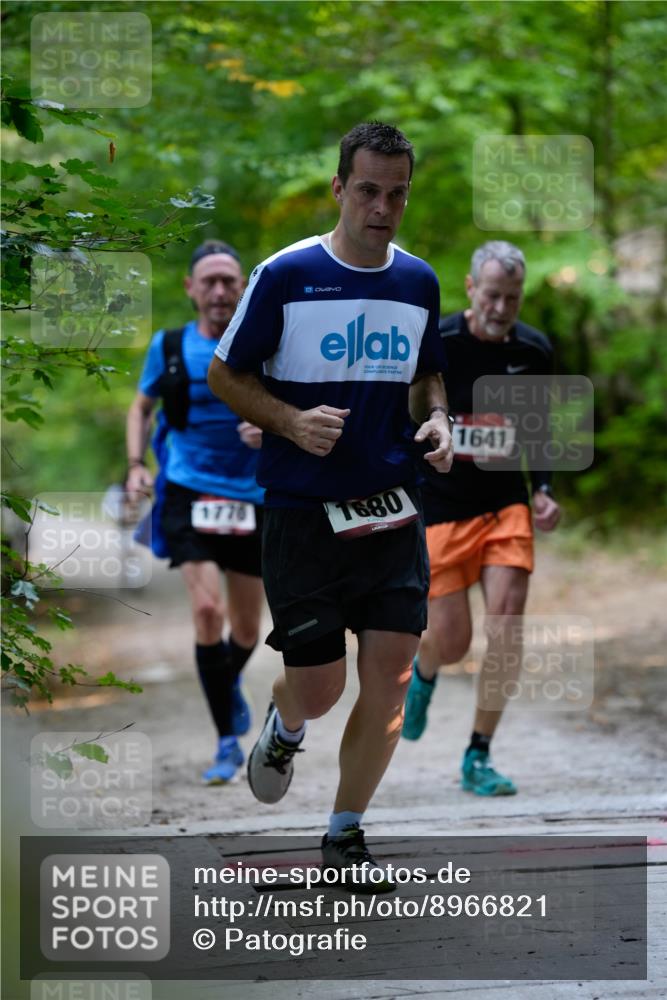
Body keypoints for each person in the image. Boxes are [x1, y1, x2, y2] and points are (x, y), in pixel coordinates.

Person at [208, 122, 453, 890]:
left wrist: (438, 418)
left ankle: (345, 832)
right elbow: (226, 376)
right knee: (321, 688)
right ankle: (284, 727)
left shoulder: (418, 281)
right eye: (369, 190)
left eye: (397, 193)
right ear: (338, 189)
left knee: (392, 673)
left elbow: (424, 378)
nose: (383, 207)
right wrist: (288, 420)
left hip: (391, 507)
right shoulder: (284, 275)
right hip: (301, 511)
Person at [402, 240, 561, 796]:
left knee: (507, 623)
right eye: (492, 295)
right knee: (451, 642)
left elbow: (538, 430)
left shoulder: (535, 351)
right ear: (472, 289)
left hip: (504, 506)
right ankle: (424, 673)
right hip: (443, 508)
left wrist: (541, 490)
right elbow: (410, 419)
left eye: (512, 299)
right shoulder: (439, 343)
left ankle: (478, 754)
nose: (501, 307)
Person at [125, 240, 265, 785]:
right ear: (190, 289)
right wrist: (136, 465)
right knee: (209, 613)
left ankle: (224, 686)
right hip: (188, 491)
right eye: (208, 281)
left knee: (249, 631)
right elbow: (141, 407)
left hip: (252, 498)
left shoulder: (262, 347)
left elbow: (292, 411)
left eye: (229, 280)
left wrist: (269, 428)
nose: (219, 290)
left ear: (244, 288)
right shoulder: (169, 347)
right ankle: (227, 741)